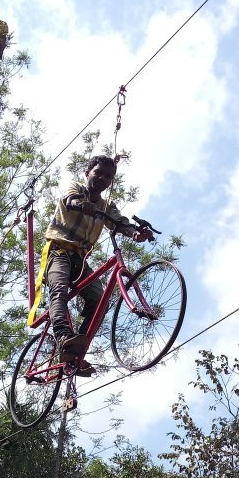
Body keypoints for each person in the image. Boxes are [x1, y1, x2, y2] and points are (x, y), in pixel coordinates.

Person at [42, 155, 151, 376]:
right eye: (98, 172)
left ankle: (77, 348)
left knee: (99, 300)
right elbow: (69, 199)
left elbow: (119, 223)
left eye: (108, 176)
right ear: (87, 172)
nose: (102, 178)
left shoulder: (106, 205)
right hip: (59, 252)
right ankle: (63, 336)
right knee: (59, 289)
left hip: (80, 261)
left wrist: (135, 233)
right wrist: (81, 205)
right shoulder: (76, 188)